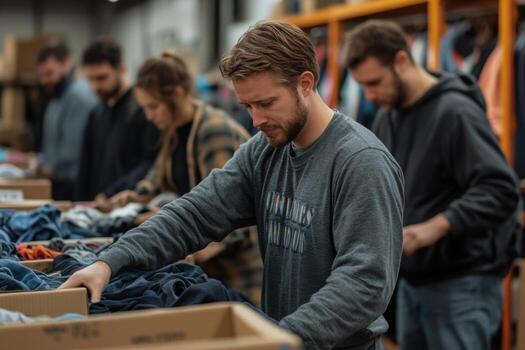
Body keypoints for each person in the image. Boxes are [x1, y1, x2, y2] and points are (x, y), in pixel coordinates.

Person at [60, 21, 404, 349]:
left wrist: (283, 338)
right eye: (247, 106)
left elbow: (364, 282)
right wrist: (109, 262)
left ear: (306, 83)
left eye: (267, 104)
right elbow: (194, 214)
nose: (256, 121)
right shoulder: (265, 150)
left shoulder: (361, 161)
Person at [344, 20, 520, 350]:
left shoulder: (456, 113)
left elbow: (500, 190)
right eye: (362, 86)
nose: (369, 96)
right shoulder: (388, 116)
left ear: (401, 61)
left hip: (461, 283)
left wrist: (436, 226)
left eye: (375, 83)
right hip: (414, 281)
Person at [108, 51, 262, 304]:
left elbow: (230, 209)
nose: (149, 116)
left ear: (177, 95)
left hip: (238, 274)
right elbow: (157, 176)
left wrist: (184, 244)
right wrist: (134, 197)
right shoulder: (174, 132)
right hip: (208, 272)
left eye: (153, 106)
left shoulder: (214, 130)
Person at [74, 37, 159, 205]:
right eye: (90, 79)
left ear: (121, 69)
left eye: (102, 78)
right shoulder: (97, 113)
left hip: (129, 206)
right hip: (97, 208)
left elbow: (150, 163)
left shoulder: (144, 110)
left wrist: (111, 193)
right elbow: (86, 166)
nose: (95, 87)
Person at [36, 40, 98, 200]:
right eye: (41, 75)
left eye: (49, 73)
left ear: (67, 63)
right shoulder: (58, 96)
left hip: (72, 185)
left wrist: (48, 169)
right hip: (59, 180)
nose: (45, 81)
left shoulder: (78, 96)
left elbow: (71, 150)